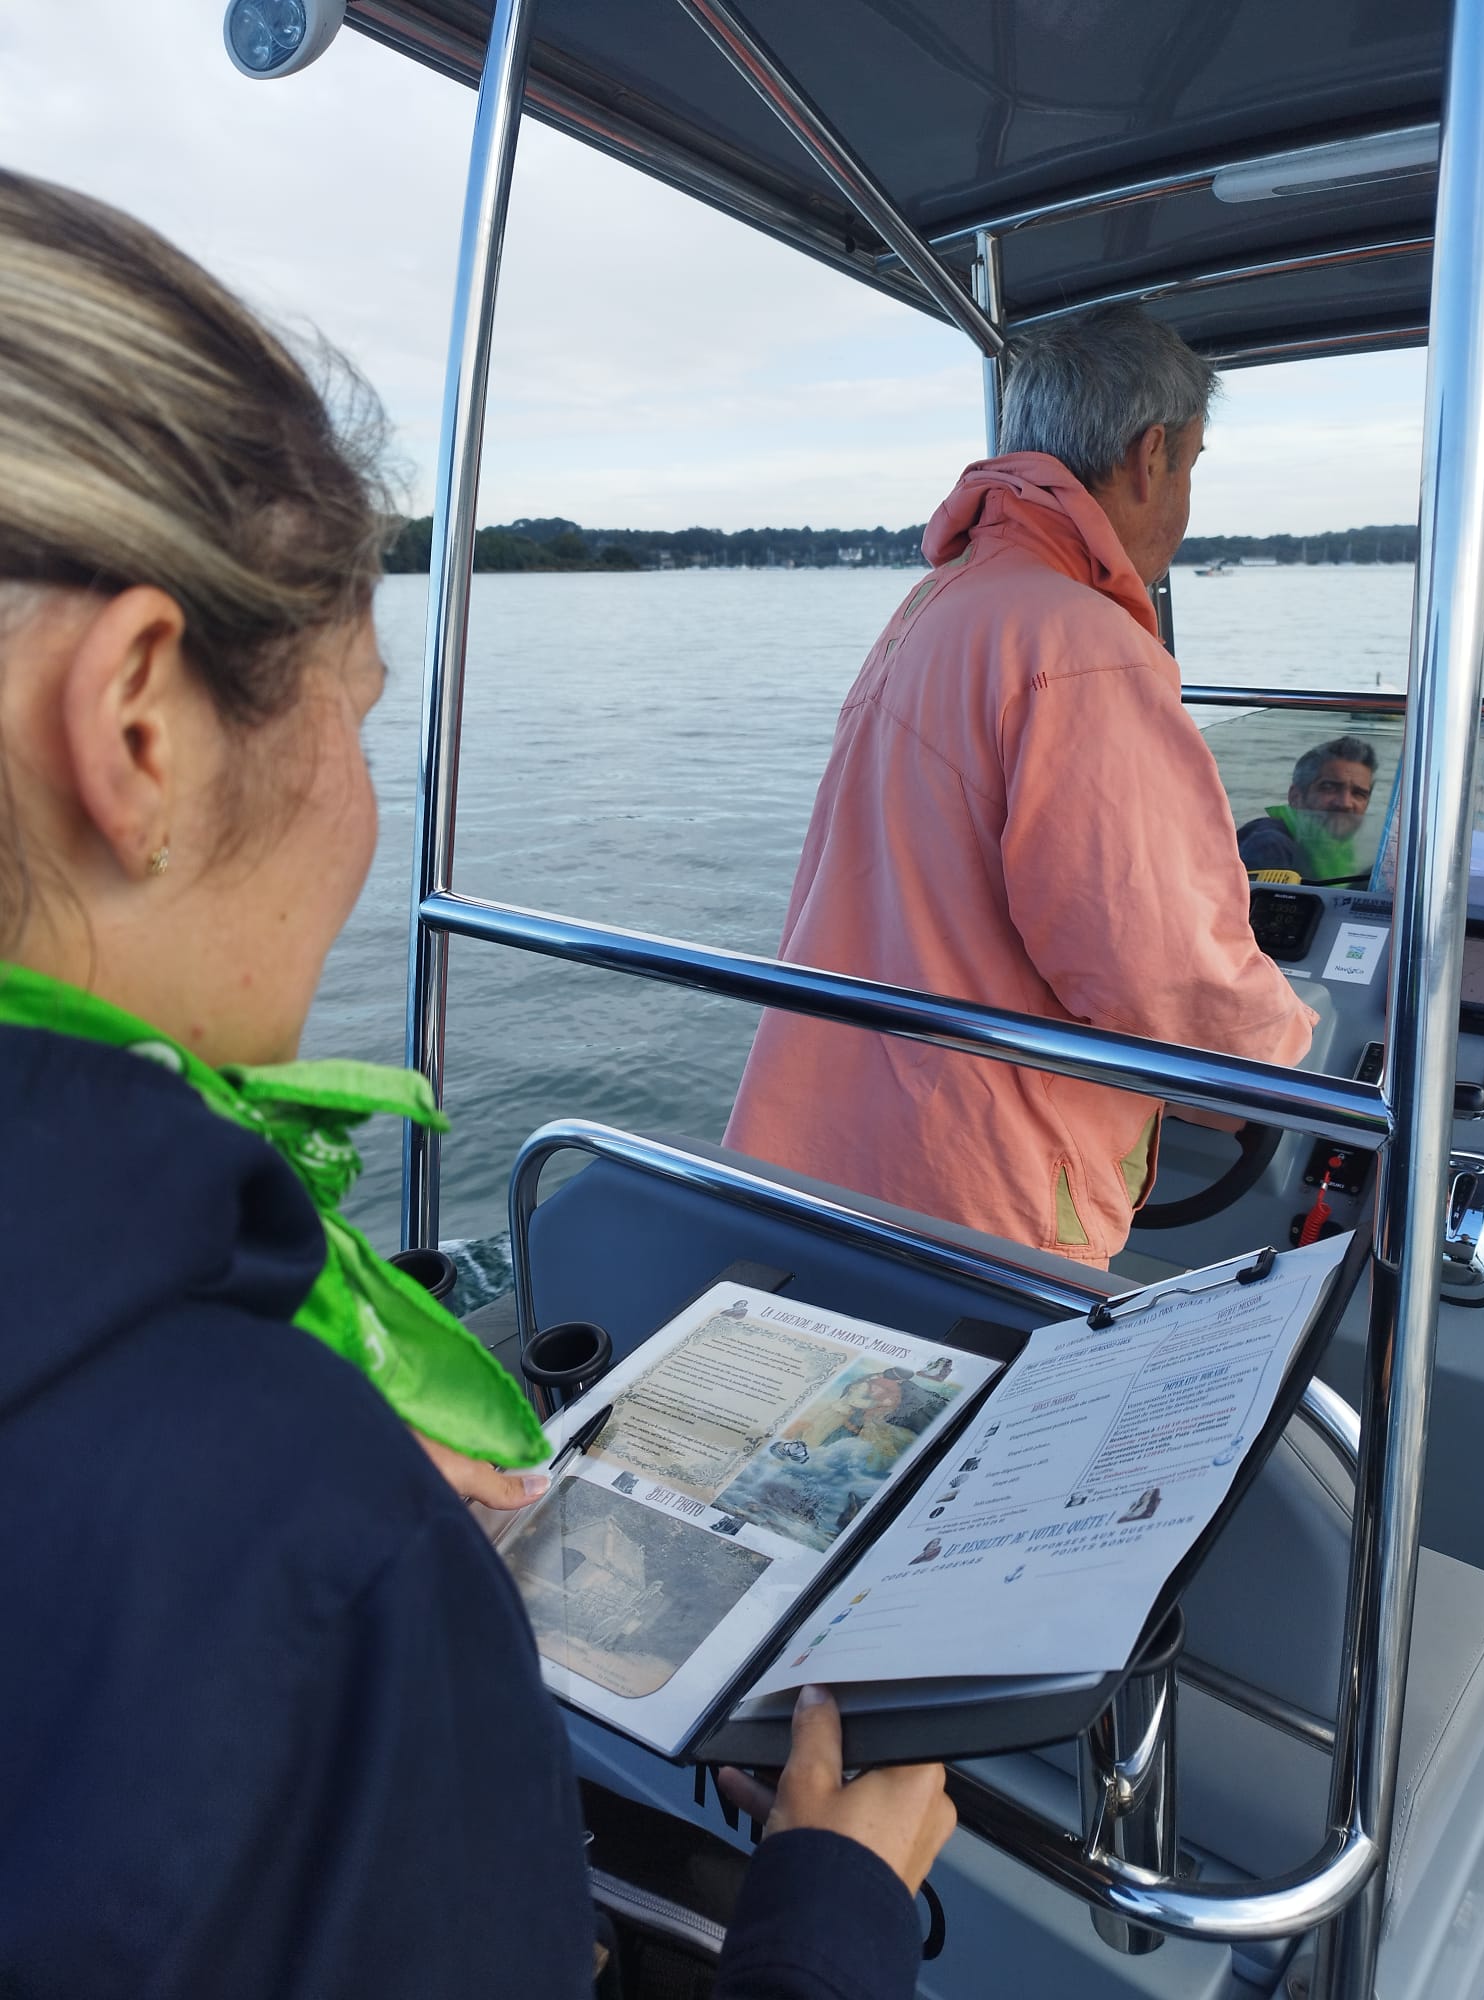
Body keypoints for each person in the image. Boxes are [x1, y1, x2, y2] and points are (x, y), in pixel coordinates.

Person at [0, 170, 953, 1999]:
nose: (370, 810)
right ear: (138, 725)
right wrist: (832, 1899)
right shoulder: (292, 1542)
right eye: (354, 713)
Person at [725, 304, 1315, 1268]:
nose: (1185, 500)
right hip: (970, 1183)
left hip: (837, 1141)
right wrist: (1290, 1059)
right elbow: (1151, 961)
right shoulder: (1081, 648)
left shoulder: (938, 603)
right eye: (1192, 467)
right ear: (1149, 455)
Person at [1237, 736, 1378, 881]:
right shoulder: (1270, 846)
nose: (1345, 803)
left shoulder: (1340, 849)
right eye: (1329, 788)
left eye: (1358, 794)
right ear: (1295, 797)